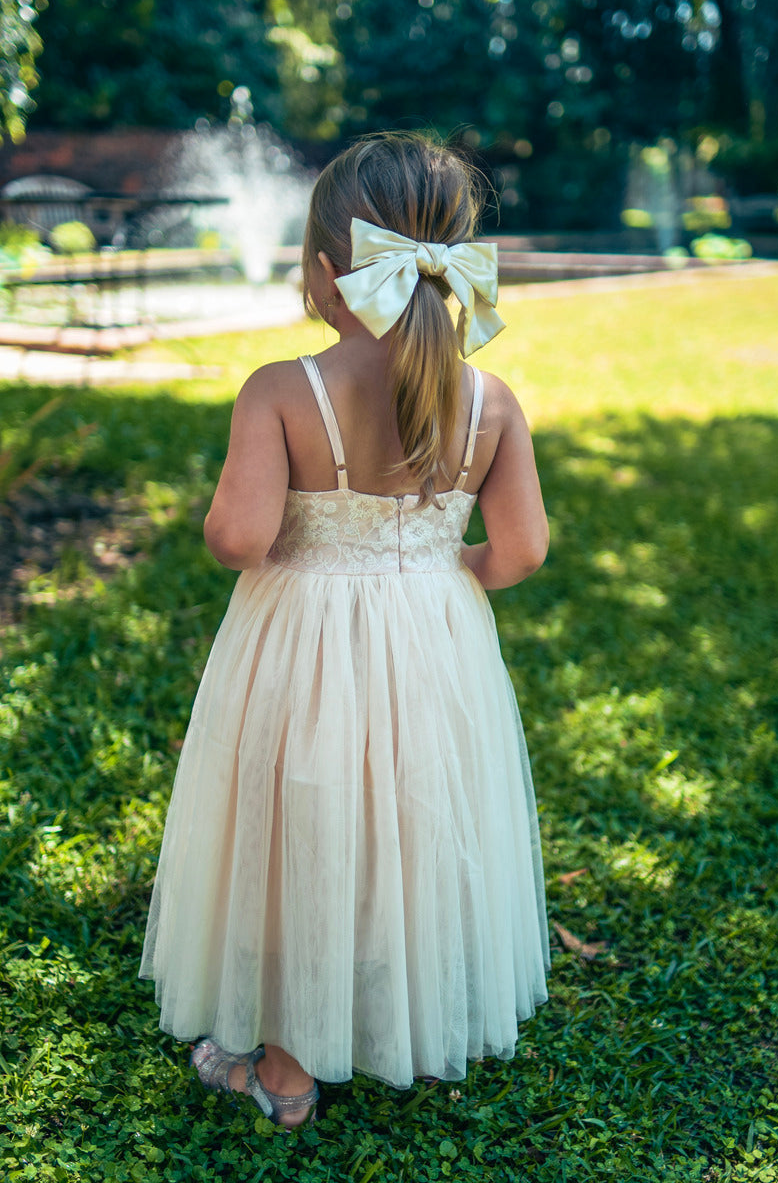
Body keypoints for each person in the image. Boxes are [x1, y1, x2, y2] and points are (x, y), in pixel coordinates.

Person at [140, 132, 550, 1129]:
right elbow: (521, 552)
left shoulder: (282, 391)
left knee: (300, 820)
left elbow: (238, 539)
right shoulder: (490, 400)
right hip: (434, 641)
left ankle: (284, 1072)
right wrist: (437, 570)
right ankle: (401, 1004)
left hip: (303, 642)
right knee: (408, 817)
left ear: (324, 274)